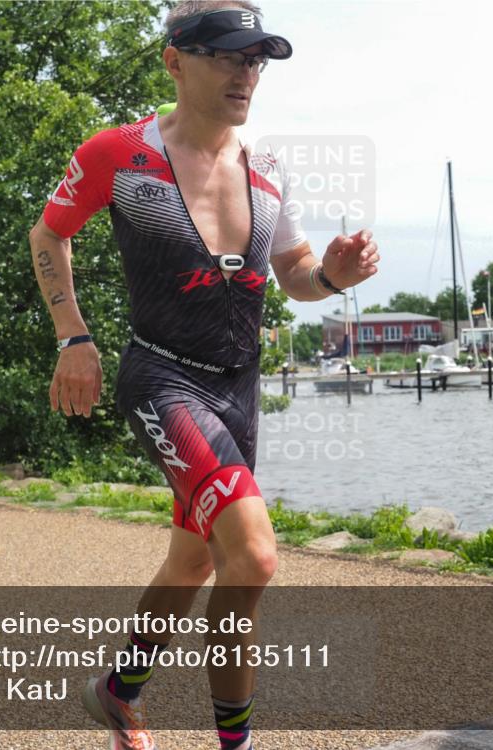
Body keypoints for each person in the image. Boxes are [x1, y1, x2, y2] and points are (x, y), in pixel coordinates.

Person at [28, 3, 380, 748]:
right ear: (174, 61)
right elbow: (47, 234)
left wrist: (334, 276)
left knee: (192, 561)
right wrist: (73, 337)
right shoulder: (117, 154)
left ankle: (118, 691)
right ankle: (236, 743)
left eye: (257, 60)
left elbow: (295, 275)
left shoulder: (268, 169)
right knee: (251, 556)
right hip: (163, 378)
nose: (246, 73)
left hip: (238, 389)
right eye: (228, 56)